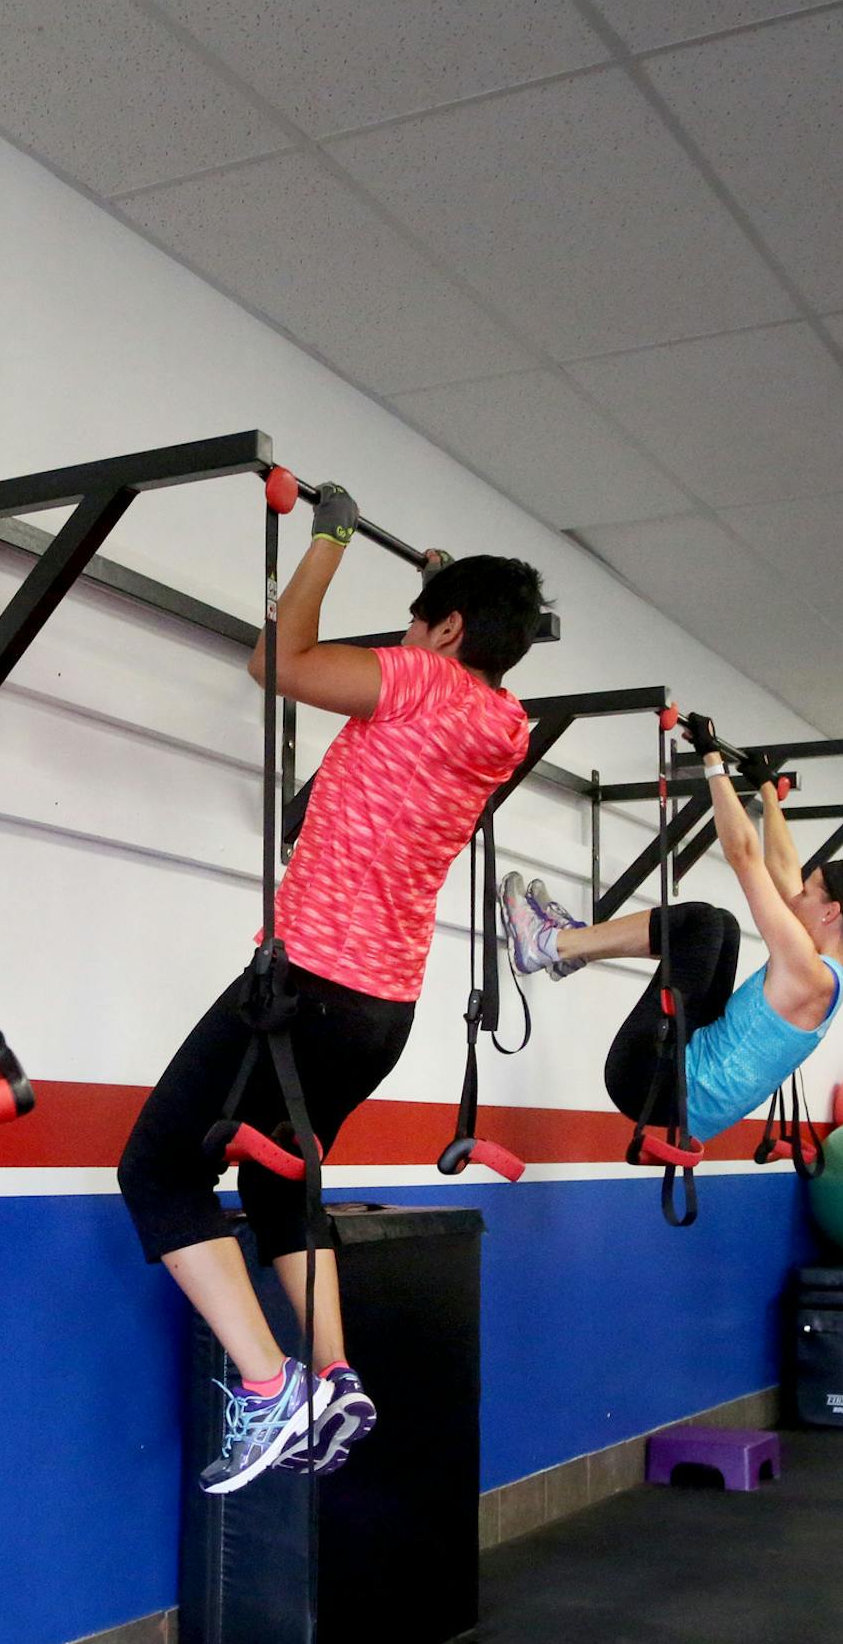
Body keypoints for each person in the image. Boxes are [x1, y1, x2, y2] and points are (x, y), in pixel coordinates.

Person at [117, 486, 542, 1494]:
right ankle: (335, 1371)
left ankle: (270, 1388)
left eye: (416, 625)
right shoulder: (506, 722)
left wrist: (329, 542)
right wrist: (434, 600)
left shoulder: (420, 681)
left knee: (157, 1172)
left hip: (305, 985)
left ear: (441, 631)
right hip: (380, 1010)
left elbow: (281, 662)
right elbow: (429, 675)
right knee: (277, 1183)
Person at [501, 722, 843, 1148]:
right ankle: (570, 949)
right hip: (681, 1075)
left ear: (830, 912)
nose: (797, 894)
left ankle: (546, 945)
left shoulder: (809, 975)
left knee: (703, 925)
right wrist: (767, 789)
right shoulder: (822, 966)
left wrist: (712, 761)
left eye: (808, 891)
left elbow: (744, 856)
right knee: (724, 926)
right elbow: (782, 871)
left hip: (653, 1085)